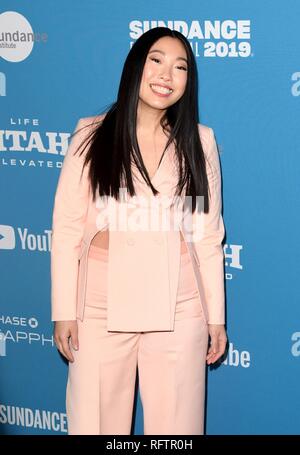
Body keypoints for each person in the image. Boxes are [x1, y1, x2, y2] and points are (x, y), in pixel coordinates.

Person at [51, 26, 228, 435]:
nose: (167, 75)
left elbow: (204, 234)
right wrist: (64, 310)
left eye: (180, 67)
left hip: (179, 306)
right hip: (99, 305)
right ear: (136, 66)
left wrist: (215, 318)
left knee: (177, 427)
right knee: (96, 424)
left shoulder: (199, 143)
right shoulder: (92, 134)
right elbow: (67, 229)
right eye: (157, 60)